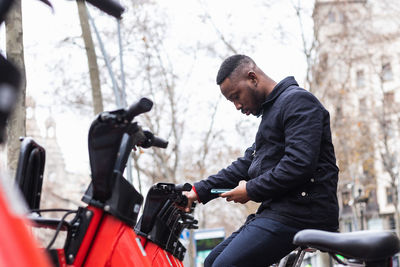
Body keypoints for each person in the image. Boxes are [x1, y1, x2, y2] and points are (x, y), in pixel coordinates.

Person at [184, 54, 339, 267]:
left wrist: (250, 190)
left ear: (252, 78)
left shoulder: (298, 101)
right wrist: (198, 191)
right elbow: (246, 165)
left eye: (236, 96)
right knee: (211, 262)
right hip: (279, 212)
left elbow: (299, 164)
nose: (237, 106)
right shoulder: (273, 112)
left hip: (303, 212)